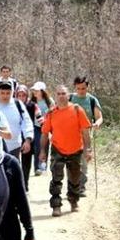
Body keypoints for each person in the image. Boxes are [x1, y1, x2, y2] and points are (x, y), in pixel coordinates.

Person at [39, 85, 93, 217]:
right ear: (55, 96)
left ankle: (74, 201)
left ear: (68, 95)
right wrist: (42, 151)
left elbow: (85, 132)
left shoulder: (77, 110)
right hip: (58, 149)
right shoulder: (51, 113)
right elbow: (45, 134)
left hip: (75, 149)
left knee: (75, 178)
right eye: (58, 94)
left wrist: (88, 150)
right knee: (56, 178)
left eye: (64, 93)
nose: (61, 96)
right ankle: (56, 205)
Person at [0, 82, 34, 189]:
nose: (5, 96)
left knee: (13, 170)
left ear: (12, 93)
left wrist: (28, 140)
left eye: (8, 93)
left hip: (15, 145)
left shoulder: (18, 104)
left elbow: (26, 122)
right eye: (2, 93)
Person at [70, 76, 103, 197]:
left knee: (84, 160)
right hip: (70, 134)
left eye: (83, 88)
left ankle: (81, 187)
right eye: (78, 88)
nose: (81, 91)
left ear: (87, 87)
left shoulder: (92, 100)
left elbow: (99, 117)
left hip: (86, 134)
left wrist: (97, 123)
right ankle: (73, 185)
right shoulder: (70, 98)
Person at [16, 85, 43, 176]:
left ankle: (25, 183)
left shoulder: (32, 105)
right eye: (19, 95)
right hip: (15, 136)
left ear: (27, 95)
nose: (21, 98)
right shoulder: (13, 105)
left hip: (28, 136)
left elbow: (39, 117)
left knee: (26, 161)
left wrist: (45, 128)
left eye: (23, 95)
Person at [30, 82, 53, 174]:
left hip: (46, 127)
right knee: (37, 146)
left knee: (45, 146)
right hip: (35, 127)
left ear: (42, 91)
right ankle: (37, 168)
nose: (34, 92)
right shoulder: (32, 101)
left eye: (37, 90)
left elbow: (53, 113)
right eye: (34, 90)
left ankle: (43, 166)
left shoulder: (49, 101)